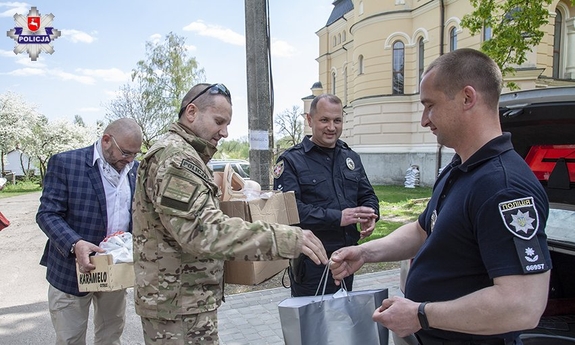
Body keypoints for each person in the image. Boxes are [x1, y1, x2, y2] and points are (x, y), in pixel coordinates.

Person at [330, 48, 552, 345]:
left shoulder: (503, 187)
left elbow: (522, 305)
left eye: (430, 105)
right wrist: (366, 253)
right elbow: (424, 230)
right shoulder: (461, 167)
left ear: (467, 98)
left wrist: (420, 315)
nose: (424, 119)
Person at [132, 82, 328, 344]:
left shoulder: (184, 155)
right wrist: (287, 239)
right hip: (177, 308)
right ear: (191, 112)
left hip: (182, 302)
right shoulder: (177, 159)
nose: (224, 132)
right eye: (219, 121)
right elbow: (204, 232)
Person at [36, 118, 143, 345]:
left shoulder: (136, 170)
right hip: (70, 272)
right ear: (106, 141)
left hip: (115, 269)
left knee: (111, 336)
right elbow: (47, 214)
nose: (131, 160)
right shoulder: (66, 164)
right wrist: (76, 243)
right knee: (70, 339)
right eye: (126, 153)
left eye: (135, 154)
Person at [272, 93, 379, 297]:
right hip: (313, 262)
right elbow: (290, 212)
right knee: (313, 326)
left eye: (337, 120)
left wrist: (371, 215)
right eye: (324, 120)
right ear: (310, 120)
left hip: (347, 259)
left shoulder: (350, 157)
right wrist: (338, 217)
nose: (332, 127)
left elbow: (368, 195)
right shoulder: (291, 161)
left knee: (342, 323)